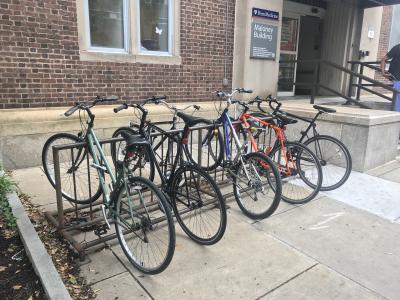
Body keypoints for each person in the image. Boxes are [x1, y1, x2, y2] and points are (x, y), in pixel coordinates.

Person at [381, 43, 400, 111]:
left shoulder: (396, 47)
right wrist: (383, 72)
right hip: (397, 77)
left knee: (397, 97)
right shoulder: (397, 48)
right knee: (398, 97)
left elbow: (383, 59)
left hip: (396, 76)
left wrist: (383, 73)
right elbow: (383, 59)